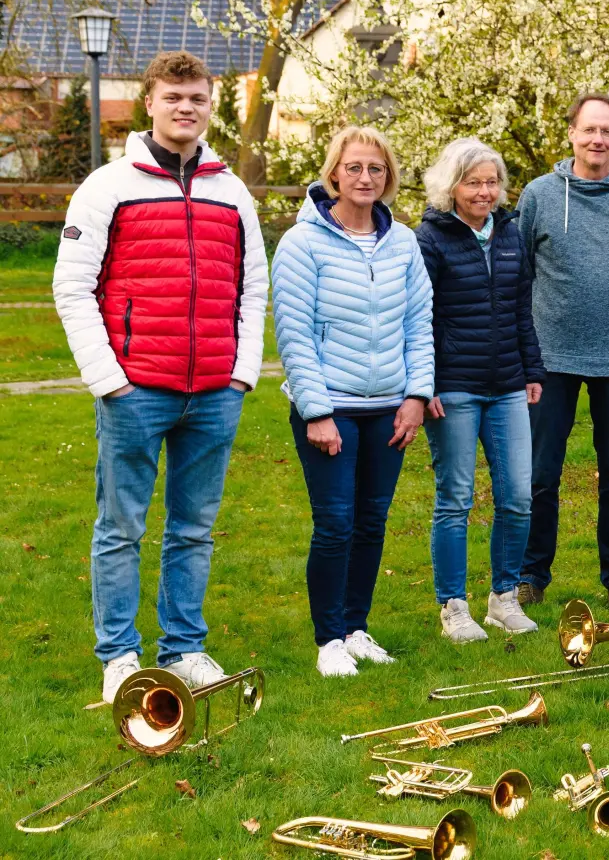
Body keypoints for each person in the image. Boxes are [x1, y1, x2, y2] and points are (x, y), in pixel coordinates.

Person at [54, 51, 268, 703]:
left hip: (213, 394)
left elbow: (254, 286)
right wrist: (108, 378)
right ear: (149, 102)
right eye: (174, 96)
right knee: (120, 527)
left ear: (210, 106)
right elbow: (71, 285)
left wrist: (241, 373)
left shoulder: (232, 192)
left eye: (198, 98)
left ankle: (184, 648)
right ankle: (119, 654)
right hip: (135, 391)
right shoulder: (106, 187)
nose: (186, 107)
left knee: (194, 527)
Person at [272, 126, 434, 677]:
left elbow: (419, 325)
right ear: (334, 173)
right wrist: (316, 412)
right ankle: (328, 640)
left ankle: (357, 628)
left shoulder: (404, 242)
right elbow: (293, 333)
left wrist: (416, 396)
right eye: (356, 167)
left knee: (371, 521)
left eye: (377, 169)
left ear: (387, 178)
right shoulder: (302, 242)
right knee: (336, 522)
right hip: (330, 406)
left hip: (388, 406)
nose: (366, 178)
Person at [516, 93, 609, 610]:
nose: (598, 139)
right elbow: (522, 271)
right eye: (589, 129)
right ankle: (531, 573)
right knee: (540, 471)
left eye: (608, 130)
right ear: (572, 133)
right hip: (549, 357)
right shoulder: (538, 195)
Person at [416, 138, 545, 644]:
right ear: (452, 186)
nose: (485, 191)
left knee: (517, 496)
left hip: (508, 383)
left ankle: (503, 599)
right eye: (474, 182)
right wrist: (423, 386)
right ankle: (453, 607)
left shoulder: (510, 235)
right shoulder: (431, 238)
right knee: (456, 499)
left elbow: (521, 309)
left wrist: (531, 369)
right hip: (454, 388)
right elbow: (418, 318)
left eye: (492, 182)